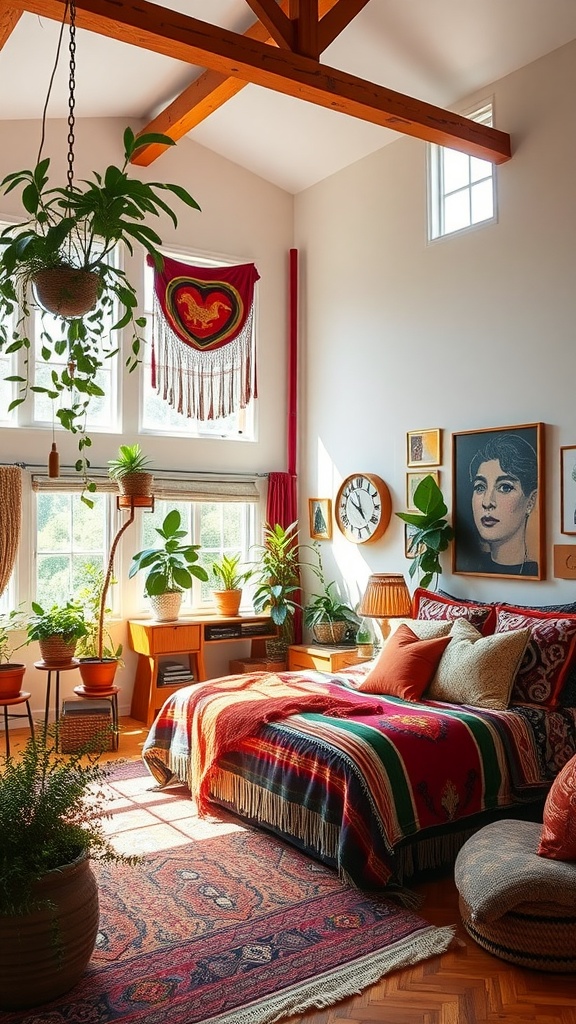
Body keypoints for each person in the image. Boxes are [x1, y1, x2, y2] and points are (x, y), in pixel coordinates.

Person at [463, 434, 538, 575]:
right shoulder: (470, 568)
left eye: (505, 487)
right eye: (480, 487)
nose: (487, 502)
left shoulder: (535, 571)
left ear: (531, 501)